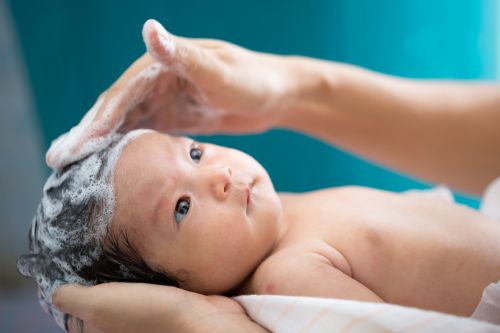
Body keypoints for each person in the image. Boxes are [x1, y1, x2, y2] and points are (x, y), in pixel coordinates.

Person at [43, 19, 500, 333]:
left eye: (196, 154)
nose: (218, 177)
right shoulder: (288, 274)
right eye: (182, 208)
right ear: (172, 287)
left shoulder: (281, 216)